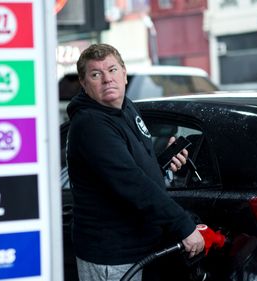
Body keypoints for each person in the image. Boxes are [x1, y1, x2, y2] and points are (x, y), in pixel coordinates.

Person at [66, 43, 205, 281]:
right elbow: (132, 183)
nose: (107, 79)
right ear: (84, 83)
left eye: (112, 70)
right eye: (96, 74)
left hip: (140, 247)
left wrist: (164, 161)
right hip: (112, 255)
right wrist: (184, 226)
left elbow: (136, 165)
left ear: (124, 73)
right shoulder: (91, 125)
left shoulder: (126, 108)